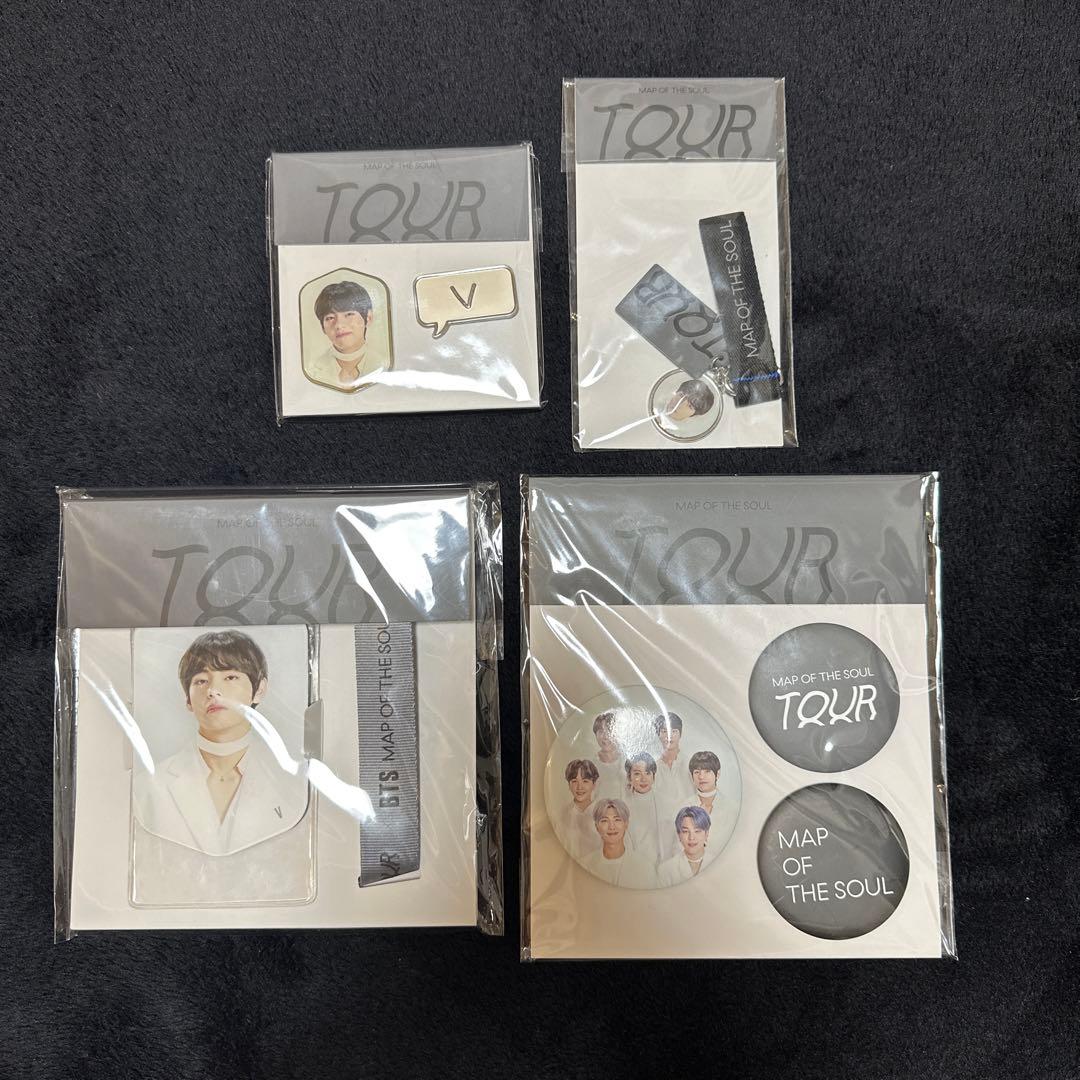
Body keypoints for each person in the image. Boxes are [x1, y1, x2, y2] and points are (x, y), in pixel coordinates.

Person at [132, 630, 309, 857]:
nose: (213, 690)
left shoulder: (294, 784)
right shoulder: (148, 788)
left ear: (259, 689)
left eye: (230, 677)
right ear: (188, 699)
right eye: (201, 680)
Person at [304, 279, 388, 391]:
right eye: (330, 318)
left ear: (368, 317)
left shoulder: (385, 365)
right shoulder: (312, 370)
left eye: (349, 314)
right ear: (323, 327)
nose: (339, 325)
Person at [579, 798, 655, 889]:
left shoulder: (644, 866)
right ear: (597, 827)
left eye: (617, 820)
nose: (612, 827)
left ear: (626, 824)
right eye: (604, 821)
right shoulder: (584, 865)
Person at [624, 751, 669, 863]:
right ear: (629, 777)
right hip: (631, 863)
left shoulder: (665, 802)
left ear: (653, 776)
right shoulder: (622, 804)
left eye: (647, 773)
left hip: (661, 863)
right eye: (637, 774)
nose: (643, 779)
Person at [555, 759, 602, 861]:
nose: (580, 787)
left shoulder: (602, 813)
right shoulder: (562, 815)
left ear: (594, 784)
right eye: (574, 781)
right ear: (569, 785)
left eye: (585, 781)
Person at [656, 805, 713, 887]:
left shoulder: (720, 862)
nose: (691, 837)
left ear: (706, 833)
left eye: (697, 831)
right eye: (685, 831)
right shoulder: (666, 869)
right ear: (679, 834)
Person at [651, 712, 696, 807]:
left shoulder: (692, 764)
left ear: (680, 734)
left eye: (674, 731)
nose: (669, 736)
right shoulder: (652, 769)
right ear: (658, 734)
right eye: (664, 731)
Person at [686, 750, 730, 834]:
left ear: (717, 774)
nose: (701, 777)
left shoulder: (731, 808)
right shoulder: (684, 806)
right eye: (697, 772)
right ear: (692, 776)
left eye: (707, 771)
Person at [591, 710, 626, 799]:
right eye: (601, 732)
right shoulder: (590, 765)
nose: (605, 737)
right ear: (595, 734)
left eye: (610, 731)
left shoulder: (627, 761)